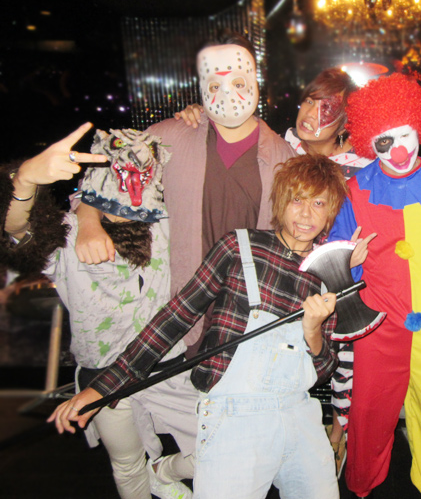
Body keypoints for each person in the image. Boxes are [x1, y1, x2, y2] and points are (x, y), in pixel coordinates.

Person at [174, 66, 421, 478]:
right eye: (309, 100)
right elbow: (232, 129)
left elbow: (398, 173)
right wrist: (201, 115)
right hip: (274, 274)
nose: (312, 113)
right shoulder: (277, 145)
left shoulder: (363, 163)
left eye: (328, 108)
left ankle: (338, 438)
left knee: (345, 371)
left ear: (345, 123)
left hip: (339, 279)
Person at [51, 153, 360, 499]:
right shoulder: (240, 247)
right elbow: (175, 317)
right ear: (281, 202)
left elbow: (323, 369)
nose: (306, 214)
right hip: (233, 416)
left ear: (331, 211)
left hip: (300, 415)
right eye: (297, 200)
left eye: (319, 203)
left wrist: (312, 331)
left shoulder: (327, 274)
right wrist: (104, 387)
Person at [2, 124, 199, 499]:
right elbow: (19, 236)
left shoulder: (169, 223)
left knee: (219, 444)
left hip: (167, 367)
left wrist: (191, 115)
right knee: (126, 463)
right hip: (102, 373)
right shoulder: (67, 232)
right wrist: (25, 181)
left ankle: (162, 470)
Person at [74, 31, 296, 352]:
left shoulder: (283, 158)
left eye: (237, 80)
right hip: (179, 321)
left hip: (249, 323)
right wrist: (88, 222)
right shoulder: (170, 138)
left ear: (255, 79)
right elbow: (102, 181)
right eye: (215, 84)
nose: (226, 92)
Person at [327, 73, 421, 499]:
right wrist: (349, 262)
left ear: (420, 128)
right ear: (368, 142)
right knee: (370, 411)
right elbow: (336, 260)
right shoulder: (354, 191)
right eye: (384, 140)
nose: (399, 150)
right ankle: (362, 483)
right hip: (377, 324)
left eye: (406, 134)